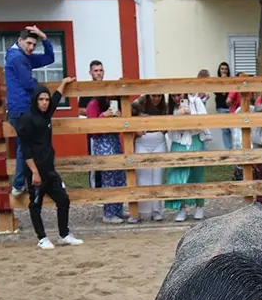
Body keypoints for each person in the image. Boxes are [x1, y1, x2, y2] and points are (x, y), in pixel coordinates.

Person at [17, 78, 83, 249]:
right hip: (35, 170)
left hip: (49, 169)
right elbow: (25, 149)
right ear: (35, 100)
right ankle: (42, 238)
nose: (45, 102)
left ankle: (64, 234)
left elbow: (56, 97)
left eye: (46, 99)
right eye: (41, 99)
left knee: (63, 200)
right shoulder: (27, 119)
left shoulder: (46, 115)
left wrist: (64, 82)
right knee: (36, 204)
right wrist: (34, 172)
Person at [5, 25, 55, 194]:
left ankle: (27, 182)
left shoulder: (23, 56)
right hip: (21, 108)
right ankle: (19, 183)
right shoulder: (17, 58)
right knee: (24, 146)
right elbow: (27, 83)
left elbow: (49, 58)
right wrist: (43, 91)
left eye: (34, 44)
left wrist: (44, 37)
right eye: (28, 43)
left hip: (23, 107)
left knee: (28, 145)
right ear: (19, 41)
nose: (31, 47)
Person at [84, 59, 128, 224]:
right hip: (102, 141)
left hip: (114, 139)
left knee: (119, 175)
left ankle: (117, 209)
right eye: (96, 70)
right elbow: (92, 126)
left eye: (101, 70)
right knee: (108, 176)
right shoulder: (93, 103)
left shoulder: (112, 103)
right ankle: (108, 213)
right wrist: (105, 117)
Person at [164, 92, 209, 221]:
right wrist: (177, 117)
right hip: (178, 142)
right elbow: (169, 129)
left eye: (178, 95)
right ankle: (181, 207)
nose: (176, 98)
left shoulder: (196, 102)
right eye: (173, 96)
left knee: (196, 174)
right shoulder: (171, 107)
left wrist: (190, 116)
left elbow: (204, 122)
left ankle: (199, 206)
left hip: (195, 139)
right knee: (176, 175)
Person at [129, 92, 170, 223]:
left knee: (157, 175)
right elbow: (128, 116)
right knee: (142, 176)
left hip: (158, 141)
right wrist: (137, 127)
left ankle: (156, 210)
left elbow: (168, 125)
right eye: (153, 96)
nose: (156, 99)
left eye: (158, 96)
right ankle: (140, 211)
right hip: (142, 141)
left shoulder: (165, 106)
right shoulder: (138, 104)